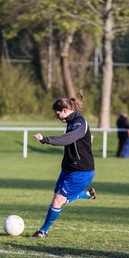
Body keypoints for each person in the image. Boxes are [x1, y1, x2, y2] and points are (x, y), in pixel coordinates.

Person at [32, 92, 96, 238]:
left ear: (65, 110)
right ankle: (87, 195)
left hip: (81, 170)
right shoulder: (72, 122)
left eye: (57, 113)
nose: (57, 117)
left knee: (58, 200)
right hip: (68, 168)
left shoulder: (79, 121)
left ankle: (43, 231)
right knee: (58, 197)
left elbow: (68, 139)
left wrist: (45, 139)